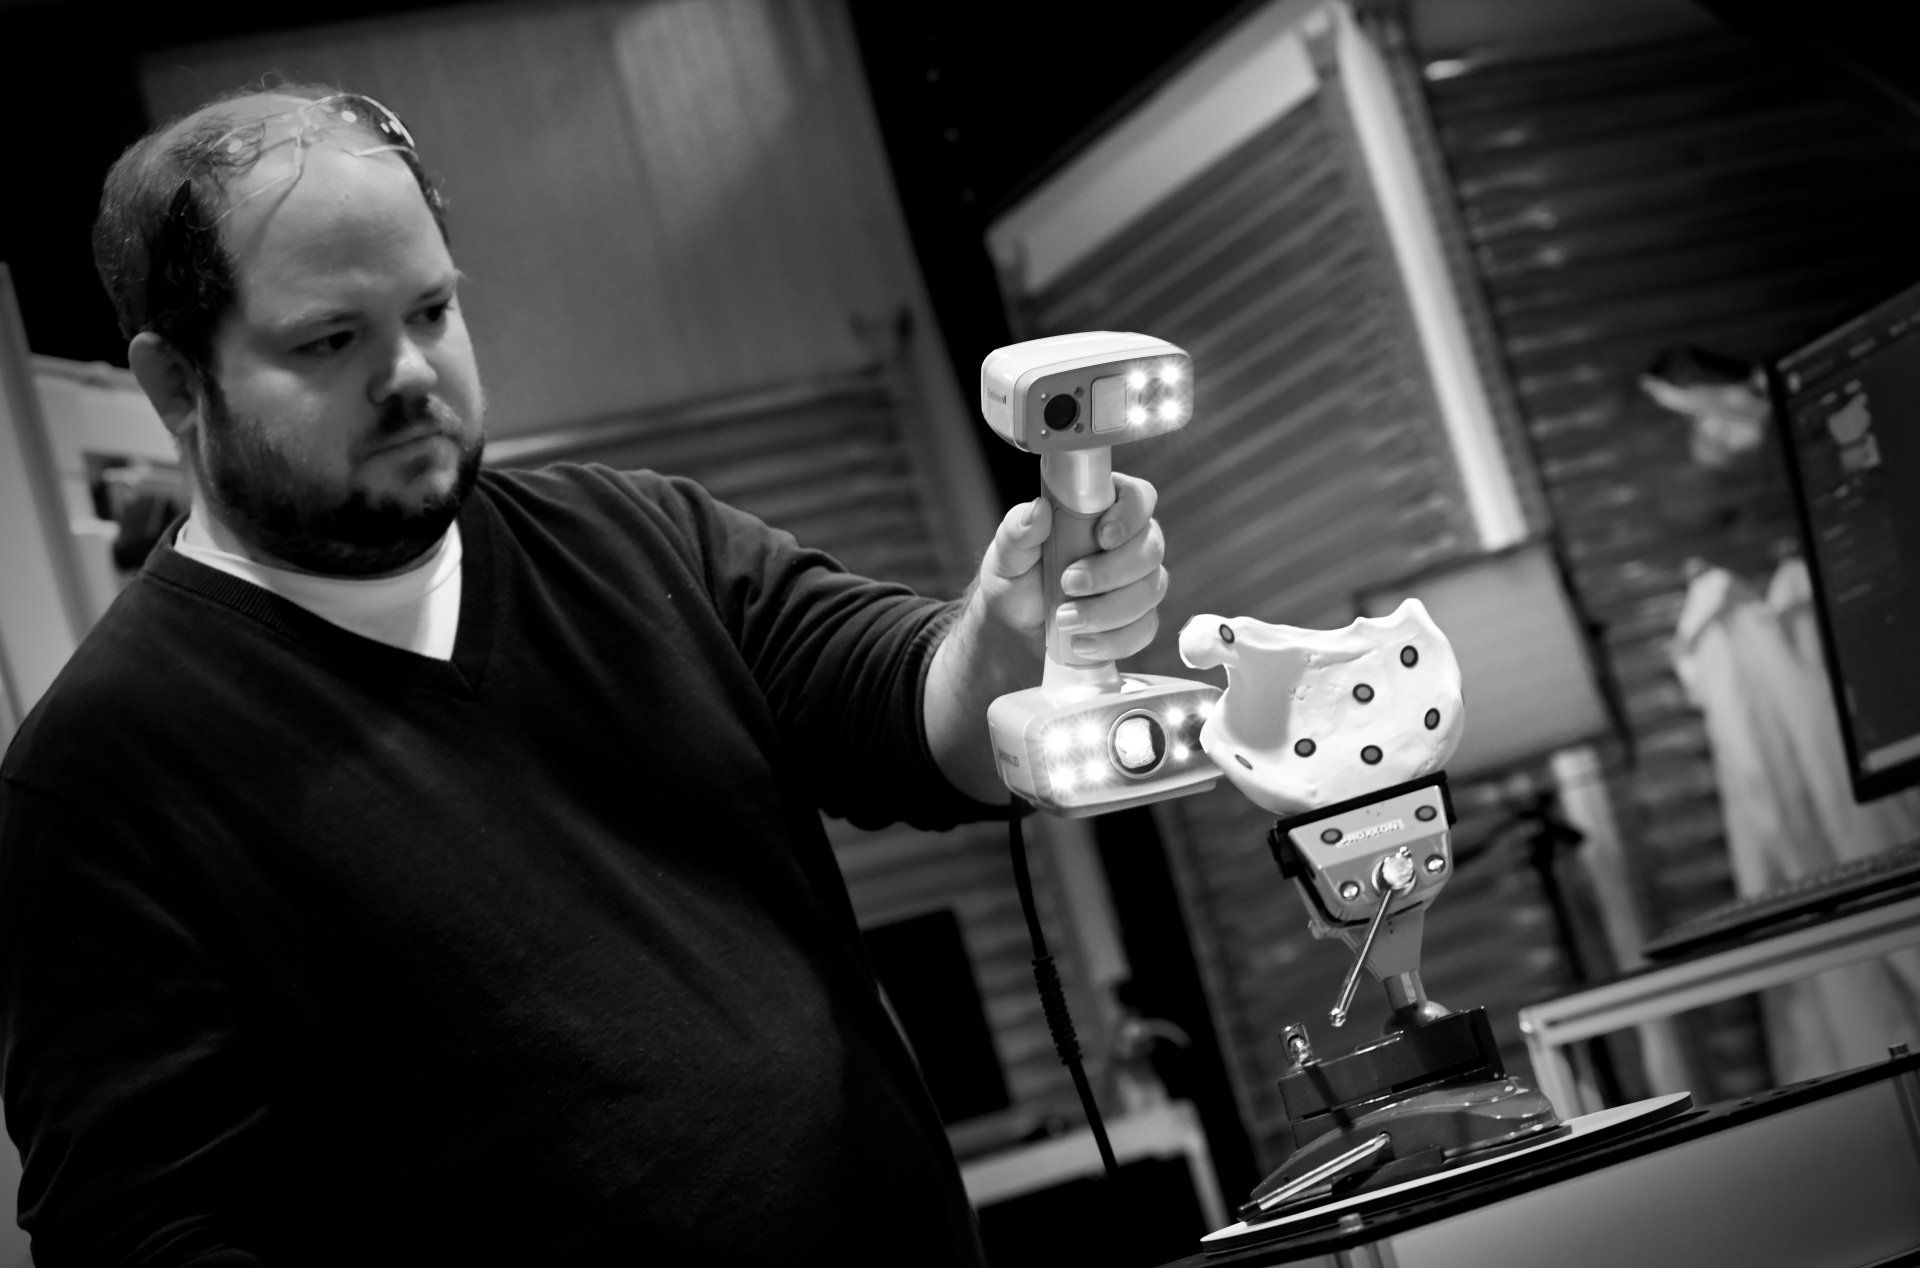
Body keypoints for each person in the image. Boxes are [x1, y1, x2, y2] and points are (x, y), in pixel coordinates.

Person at [0, 86, 1171, 1264]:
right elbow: (140, 1229)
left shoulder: (640, 537)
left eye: (432, 310)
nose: (408, 372)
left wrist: (1008, 625)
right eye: (329, 340)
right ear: (175, 384)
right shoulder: (104, 770)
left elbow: (916, 716)